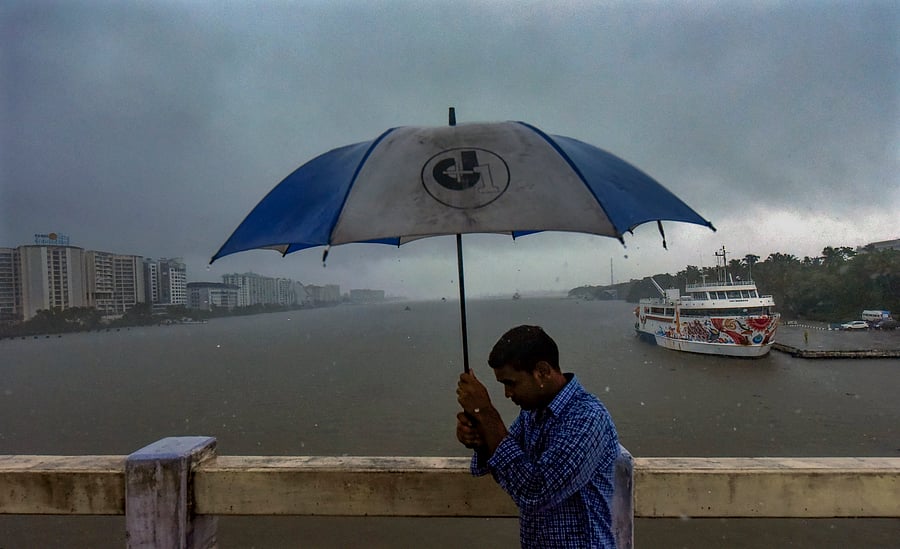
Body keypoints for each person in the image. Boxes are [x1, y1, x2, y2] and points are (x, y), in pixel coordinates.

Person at [456, 325, 620, 548]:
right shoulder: (532, 413)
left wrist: (486, 414)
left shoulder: (588, 418)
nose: (507, 394)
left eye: (511, 383)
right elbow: (509, 462)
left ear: (542, 371)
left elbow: (535, 491)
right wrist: (481, 439)